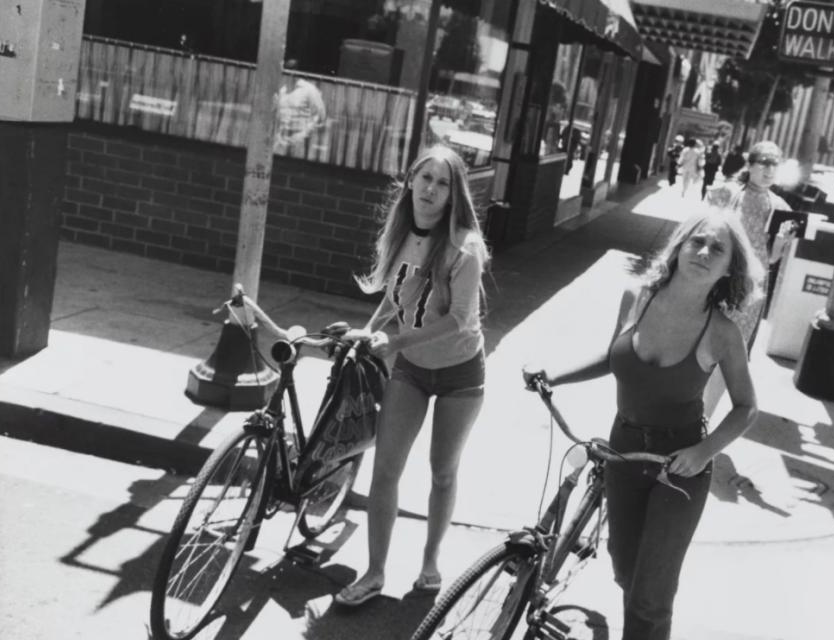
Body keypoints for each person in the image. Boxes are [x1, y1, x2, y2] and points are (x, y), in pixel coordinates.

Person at [523, 209, 762, 640]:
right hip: (625, 448)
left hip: (681, 465)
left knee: (650, 597)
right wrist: (554, 374)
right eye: (698, 241)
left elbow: (746, 407)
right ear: (680, 247)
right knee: (624, 569)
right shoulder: (637, 296)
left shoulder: (723, 333)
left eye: (718, 249)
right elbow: (614, 355)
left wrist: (703, 453)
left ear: (730, 267)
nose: (705, 253)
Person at [333, 145, 490, 606]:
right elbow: (400, 293)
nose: (431, 190)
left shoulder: (465, 247)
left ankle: (430, 560)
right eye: (425, 178)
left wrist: (396, 342)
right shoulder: (400, 233)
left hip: (461, 371)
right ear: (410, 181)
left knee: (442, 472)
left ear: (452, 194)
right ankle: (375, 573)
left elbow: (461, 318)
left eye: (442, 184)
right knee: (386, 469)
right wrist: (370, 329)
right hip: (413, 369)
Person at [705, 141, 790, 352]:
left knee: (735, 345)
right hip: (719, 274)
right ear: (750, 165)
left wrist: (780, 241)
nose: (769, 170)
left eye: (775, 165)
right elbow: (703, 228)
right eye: (764, 163)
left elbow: (771, 258)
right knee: (704, 334)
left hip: (751, 285)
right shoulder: (727, 192)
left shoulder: (780, 207)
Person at [274, 59, 327, 156]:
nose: (289, 73)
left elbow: (320, 116)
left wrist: (304, 134)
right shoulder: (282, 91)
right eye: (286, 70)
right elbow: (276, 115)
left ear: (297, 71)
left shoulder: (309, 90)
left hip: (301, 146)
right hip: (280, 143)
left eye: (292, 70)